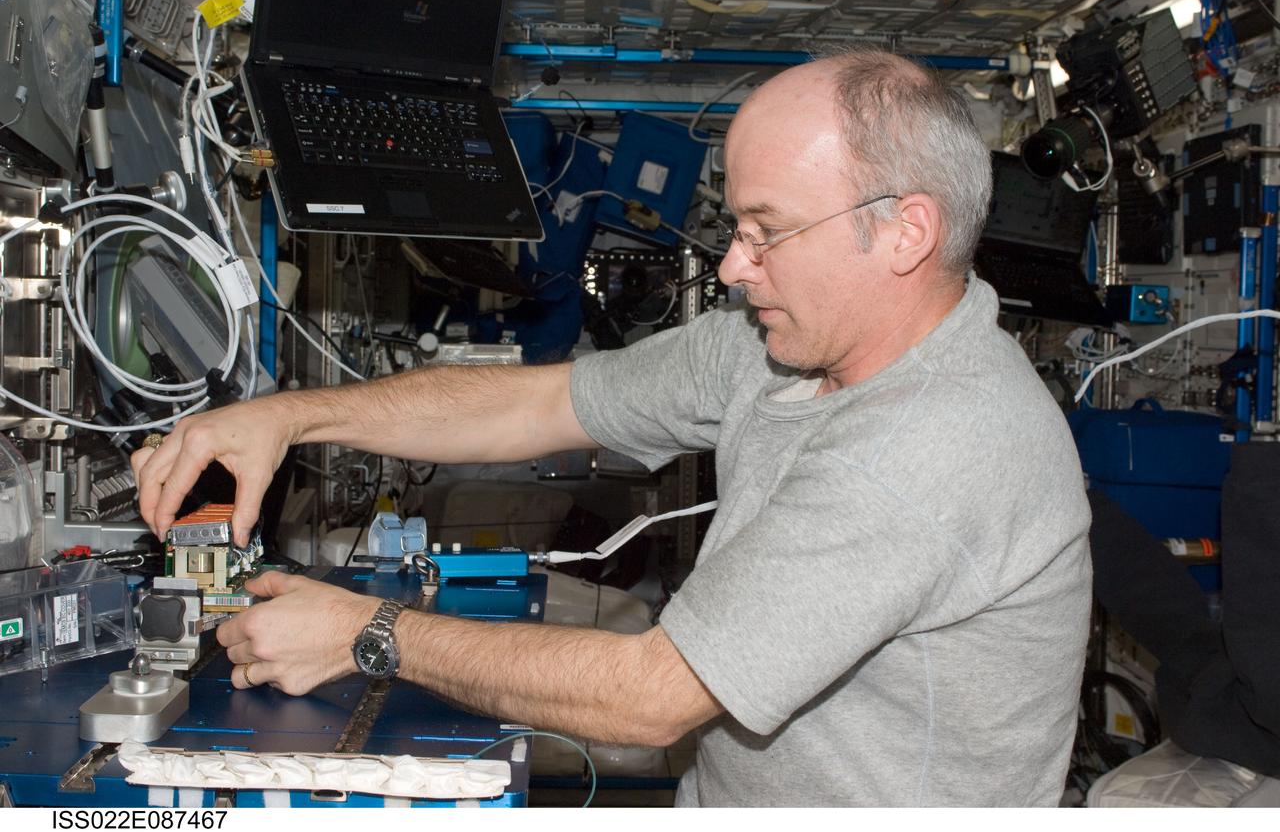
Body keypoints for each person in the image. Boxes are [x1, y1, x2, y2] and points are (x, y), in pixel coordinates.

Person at [132, 48, 1092, 806]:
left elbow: (650, 696)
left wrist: (367, 632)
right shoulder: (779, 345)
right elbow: (543, 402)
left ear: (905, 232)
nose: (734, 267)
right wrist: (290, 417)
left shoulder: (934, 441)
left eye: (767, 230)